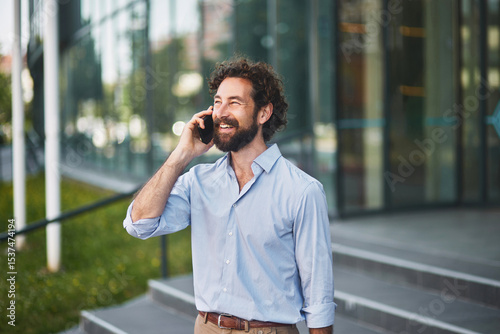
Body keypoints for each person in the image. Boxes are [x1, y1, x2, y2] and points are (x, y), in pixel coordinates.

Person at [123, 57, 335, 334]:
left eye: (234, 102)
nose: (221, 112)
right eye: (218, 101)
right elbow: (139, 224)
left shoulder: (302, 191)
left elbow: (318, 292)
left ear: (263, 113)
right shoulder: (199, 182)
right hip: (207, 327)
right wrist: (180, 156)